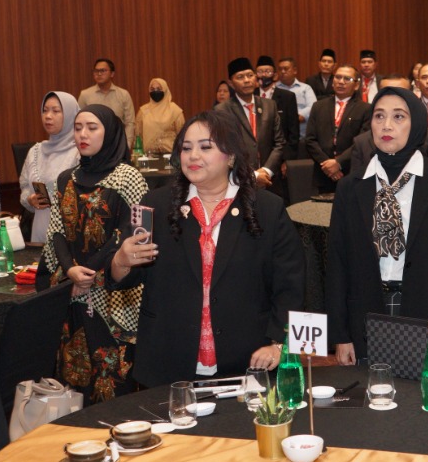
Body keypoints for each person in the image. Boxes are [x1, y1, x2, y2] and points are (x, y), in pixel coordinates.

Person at [108, 112, 306, 387]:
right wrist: (121, 261)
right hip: (169, 359)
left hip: (249, 360)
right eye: (186, 148)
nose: (193, 156)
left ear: (231, 156)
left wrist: (279, 344)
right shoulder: (155, 204)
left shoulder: (267, 208)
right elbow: (125, 277)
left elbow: (291, 286)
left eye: (205, 147)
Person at [326, 87, 428, 368]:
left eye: (398, 116)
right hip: (366, 311)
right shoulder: (351, 187)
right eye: (379, 116)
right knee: (372, 390)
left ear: (417, 123)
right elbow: (338, 264)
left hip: (427, 309)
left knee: (423, 392)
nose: (386, 125)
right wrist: (340, 334)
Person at [47, 106, 148, 402]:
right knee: (74, 380)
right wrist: (70, 271)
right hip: (72, 290)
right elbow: (56, 232)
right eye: (78, 127)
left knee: (114, 380)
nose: (83, 134)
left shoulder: (128, 178)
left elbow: (131, 233)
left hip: (114, 292)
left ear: (110, 132)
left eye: (92, 127)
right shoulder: (66, 178)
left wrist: (88, 273)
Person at [19, 91, 80, 246]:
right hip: (40, 229)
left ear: (70, 115)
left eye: (56, 111)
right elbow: (25, 186)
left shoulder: (80, 152)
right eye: (45, 110)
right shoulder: (35, 151)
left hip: (70, 234)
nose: (48, 116)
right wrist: (30, 199)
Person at [304, 64, 370, 193]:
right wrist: (327, 165)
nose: (341, 82)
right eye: (338, 77)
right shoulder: (318, 106)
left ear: (356, 85)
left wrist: (338, 162)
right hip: (323, 172)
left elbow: (362, 142)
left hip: (351, 170)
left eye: (347, 79)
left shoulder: (365, 109)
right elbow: (310, 140)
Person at [222, 58, 286, 188]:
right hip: (239, 181)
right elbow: (224, 149)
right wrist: (254, 175)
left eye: (250, 75)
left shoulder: (270, 105)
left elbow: (279, 143)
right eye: (240, 77)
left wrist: (266, 171)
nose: (246, 80)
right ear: (231, 83)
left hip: (270, 180)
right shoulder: (222, 111)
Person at [79, 57, 136, 141]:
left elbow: (130, 122)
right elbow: (79, 121)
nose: (99, 74)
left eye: (103, 71)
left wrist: (126, 144)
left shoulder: (123, 94)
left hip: (117, 141)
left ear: (112, 74)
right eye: (96, 71)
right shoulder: (85, 95)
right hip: (92, 142)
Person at [255, 55, 300, 159]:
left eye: (267, 71)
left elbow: (293, 133)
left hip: (279, 155)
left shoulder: (287, 97)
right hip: (254, 154)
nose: (263, 75)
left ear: (275, 76)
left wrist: (287, 159)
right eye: (260, 72)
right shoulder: (250, 96)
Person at [135, 78, 184, 156]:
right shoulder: (143, 111)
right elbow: (138, 136)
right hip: (149, 156)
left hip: (170, 155)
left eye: (158, 89)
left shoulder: (175, 111)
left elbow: (182, 135)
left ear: (165, 90)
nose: (155, 91)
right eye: (152, 89)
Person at [272, 56, 316, 143]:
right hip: (279, 137)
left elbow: (313, 106)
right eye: (280, 69)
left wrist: (296, 118)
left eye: (286, 69)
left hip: (303, 137)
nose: (282, 72)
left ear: (295, 70)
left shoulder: (305, 88)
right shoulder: (273, 89)